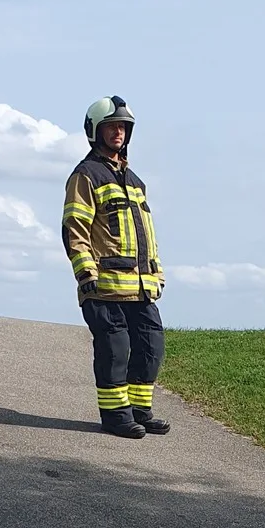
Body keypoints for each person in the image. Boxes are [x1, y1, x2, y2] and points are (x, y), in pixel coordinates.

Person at [62, 96, 170, 438]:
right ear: (96, 131)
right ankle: (115, 416)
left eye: (122, 127)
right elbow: (74, 228)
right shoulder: (85, 175)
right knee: (115, 351)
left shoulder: (135, 180)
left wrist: (157, 273)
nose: (118, 132)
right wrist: (85, 272)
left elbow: (145, 234)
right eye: (111, 127)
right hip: (104, 287)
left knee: (151, 348)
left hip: (141, 287)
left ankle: (140, 410)